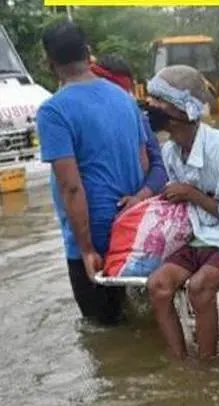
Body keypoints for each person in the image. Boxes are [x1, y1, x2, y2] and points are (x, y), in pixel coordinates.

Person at [144, 65, 219, 361]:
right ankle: (180, 364)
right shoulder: (170, 152)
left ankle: (206, 368)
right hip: (199, 237)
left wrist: (192, 194)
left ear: (182, 110)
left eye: (159, 101)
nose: (151, 106)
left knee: (199, 287)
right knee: (157, 286)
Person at [36, 20, 149, 326]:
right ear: (89, 53)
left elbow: (71, 187)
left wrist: (85, 249)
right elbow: (143, 162)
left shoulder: (53, 111)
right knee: (136, 319)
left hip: (93, 234)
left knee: (101, 331)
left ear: (48, 62)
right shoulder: (125, 100)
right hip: (132, 227)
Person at [90, 54, 168, 208]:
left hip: (131, 206)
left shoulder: (137, 117)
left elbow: (159, 165)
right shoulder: (82, 117)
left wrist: (140, 197)